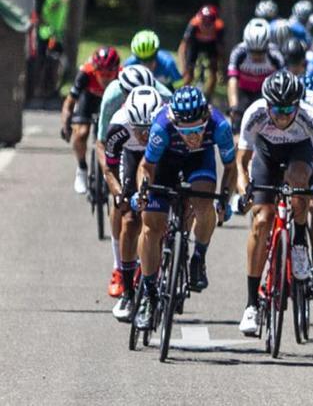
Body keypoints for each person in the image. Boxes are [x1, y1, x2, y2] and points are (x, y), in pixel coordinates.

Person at [133, 86, 235, 330]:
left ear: (205, 118)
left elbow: (230, 168)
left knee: (204, 202)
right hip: (165, 162)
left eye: (198, 130)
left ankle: (198, 257)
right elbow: (146, 167)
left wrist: (224, 200)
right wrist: (143, 192)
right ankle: (148, 294)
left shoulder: (220, 126)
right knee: (151, 225)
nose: (192, 137)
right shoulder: (162, 127)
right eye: (186, 131)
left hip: (199, 161)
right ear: (174, 121)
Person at [235, 71, 313, 335]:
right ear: (267, 104)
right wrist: (244, 191)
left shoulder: (311, 118)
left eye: (289, 109)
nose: (283, 115)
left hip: (300, 150)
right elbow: (241, 163)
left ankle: (298, 241)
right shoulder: (255, 114)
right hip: (266, 153)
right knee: (262, 219)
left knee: (299, 186)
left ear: (298, 105)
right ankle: (251, 304)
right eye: (277, 109)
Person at [103, 85, 163, 320]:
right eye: (139, 129)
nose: (144, 135)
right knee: (129, 219)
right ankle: (128, 292)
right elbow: (109, 168)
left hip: (159, 158)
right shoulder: (119, 125)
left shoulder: (167, 124)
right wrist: (118, 193)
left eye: (148, 129)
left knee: (160, 214)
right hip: (130, 157)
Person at [60, 46, 120, 194]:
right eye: (102, 73)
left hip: (111, 101)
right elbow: (69, 102)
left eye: (109, 73)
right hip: (89, 100)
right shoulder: (85, 73)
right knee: (80, 133)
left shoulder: (122, 75)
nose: (105, 78)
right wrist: (66, 125)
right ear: (94, 70)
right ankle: (81, 168)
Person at [227, 18, 286, 134]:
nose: (256, 56)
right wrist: (233, 106)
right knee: (238, 127)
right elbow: (232, 80)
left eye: (261, 52)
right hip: (243, 92)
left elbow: (283, 83)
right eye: (252, 51)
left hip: (265, 93)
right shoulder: (238, 52)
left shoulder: (275, 55)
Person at [36, 0, 76, 96]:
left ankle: (53, 87)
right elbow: (50, 9)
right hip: (48, 34)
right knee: (45, 61)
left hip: (58, 35)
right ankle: (40, 88)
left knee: (58, 61)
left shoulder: (67, 0)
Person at [178, 5, 224, 98]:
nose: (206, 27)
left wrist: (221, 68)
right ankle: (180, 95)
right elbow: (183, 46)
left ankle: (208, 96)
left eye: (209, 23)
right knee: (189, 74)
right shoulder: (194, 24)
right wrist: (184, 66)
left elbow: (220, 48)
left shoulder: (219, 26)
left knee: (213, 73)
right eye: (203, 22)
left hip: (211, 45)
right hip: (195, 44)